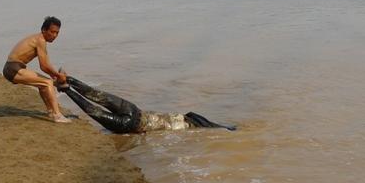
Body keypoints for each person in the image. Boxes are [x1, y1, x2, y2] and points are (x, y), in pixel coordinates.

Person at [58, 76, 236, 133]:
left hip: (136, 111)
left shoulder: (183, 118)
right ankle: (66, 88)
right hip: (131, 125)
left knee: (97, 95)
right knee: (92, 110)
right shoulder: (184, 129)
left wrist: (224, 128)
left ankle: (68, 79)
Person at [3, 16, 71, 123]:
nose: (54, 35)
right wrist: (58, 76)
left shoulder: (40, 40)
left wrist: (55, 76)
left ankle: (50, 112)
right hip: (12, 69)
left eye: (57, 33)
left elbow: (47, 64)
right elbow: (43, 66)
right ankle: (57, 115)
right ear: (44, 30)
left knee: (43, 84)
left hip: (15, 68)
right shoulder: (40, 40)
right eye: (52, 32)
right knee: (47, 82)